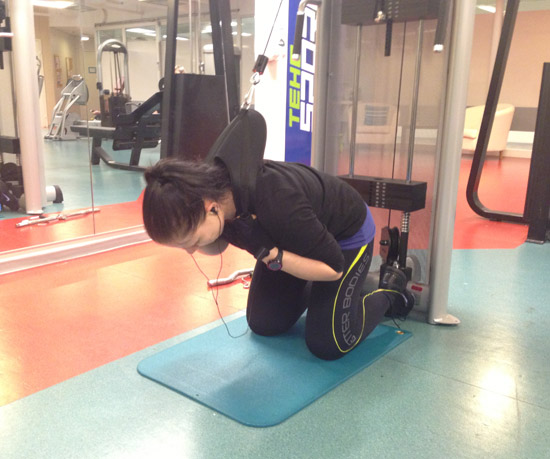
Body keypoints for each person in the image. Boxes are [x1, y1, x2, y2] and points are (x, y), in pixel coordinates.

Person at [142, 158, 414, 360]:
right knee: (264, 323)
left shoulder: (278, 202)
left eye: (192, 241)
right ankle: (334, 294)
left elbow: (333, 269)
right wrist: (272, 253)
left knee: (329, 343)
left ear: (211, 208)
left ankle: (391, 290)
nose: (191, 250)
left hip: (343, 239)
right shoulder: (211, 192)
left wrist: (272, 255)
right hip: (292, 240)